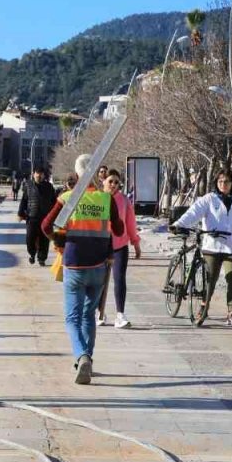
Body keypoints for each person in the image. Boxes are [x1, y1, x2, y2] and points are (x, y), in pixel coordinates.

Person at [41, 155, 124, 385]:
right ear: (97, 172)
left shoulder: (67, 198)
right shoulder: (106, 199)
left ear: (77, 173)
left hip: (74, 265)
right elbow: (118, 230)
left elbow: (46, 226)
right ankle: (86, 361)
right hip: (98, 267)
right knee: (88, 316)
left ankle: (82, 356)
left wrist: (59, 241)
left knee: (72, 318)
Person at [174, 169, 232, 326]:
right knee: (209, 279)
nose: (223, 184)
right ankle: (203, 307)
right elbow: (193, 213)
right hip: (212, 246)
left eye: (227, 181)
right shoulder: (209, 199)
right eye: (220, 181)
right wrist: (179, 224)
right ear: (216, 183)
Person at [96, 170, 141, 328]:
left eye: (116, 182)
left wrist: (135, 243)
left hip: (119, 245)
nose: (113, 184)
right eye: (110, 181)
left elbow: (130, 223)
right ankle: (100, 312)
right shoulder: (97, 198)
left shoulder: (124, 200)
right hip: (100, 245)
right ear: (103, 181)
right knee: (99, 280)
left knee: (119, 279)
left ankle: (120, 314)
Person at [17, 165, 56, 265]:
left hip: (45, 218)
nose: (39, 175)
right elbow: (24, 200)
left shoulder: (49, 187)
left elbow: (54, 202)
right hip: (32, 217)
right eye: (37, 173)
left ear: (43, 175)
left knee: (44, 239)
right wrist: (20, 213)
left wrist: (54, 216)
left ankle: (42, 258)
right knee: (30, 238)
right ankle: (32, 254)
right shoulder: (28, 186)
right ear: (33, 174)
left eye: (41, 174)